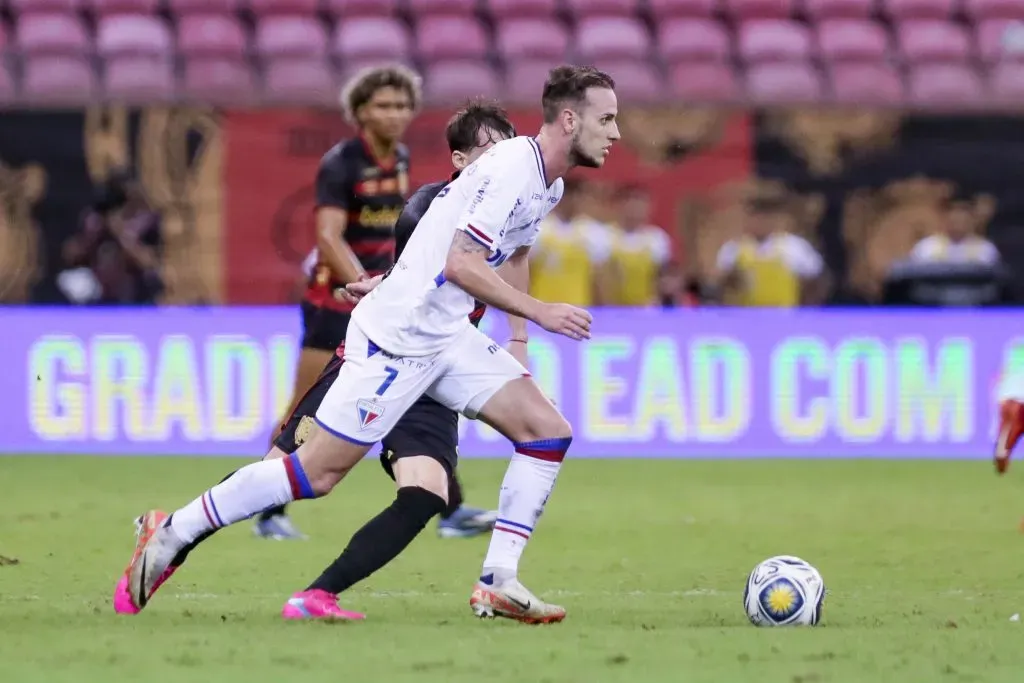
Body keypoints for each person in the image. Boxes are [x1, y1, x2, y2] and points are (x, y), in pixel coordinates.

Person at [121, 65, 620, 625]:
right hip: (399, 339)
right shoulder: (510, 167)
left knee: (547, 431)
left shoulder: (546, 182)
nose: (616, 132)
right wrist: (540, 312)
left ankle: (498, 581)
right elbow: (459, 263)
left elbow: (488, 247)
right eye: (607, 118)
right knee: (315, 475)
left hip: (445, 334)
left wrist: (521, 337)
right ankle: (174, 530)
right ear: (570, 118)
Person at [256, 64, 419, 540]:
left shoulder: (400, 158)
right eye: (384, 105)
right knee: (301, 410)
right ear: (361, 112)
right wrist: (367, 286)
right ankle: (267, 512)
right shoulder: (341, 162)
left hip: (373, 302)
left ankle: (444, 504)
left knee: (405, 399)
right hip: (333, 303)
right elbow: (328, 238)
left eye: (403, 105)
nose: (395, 114)